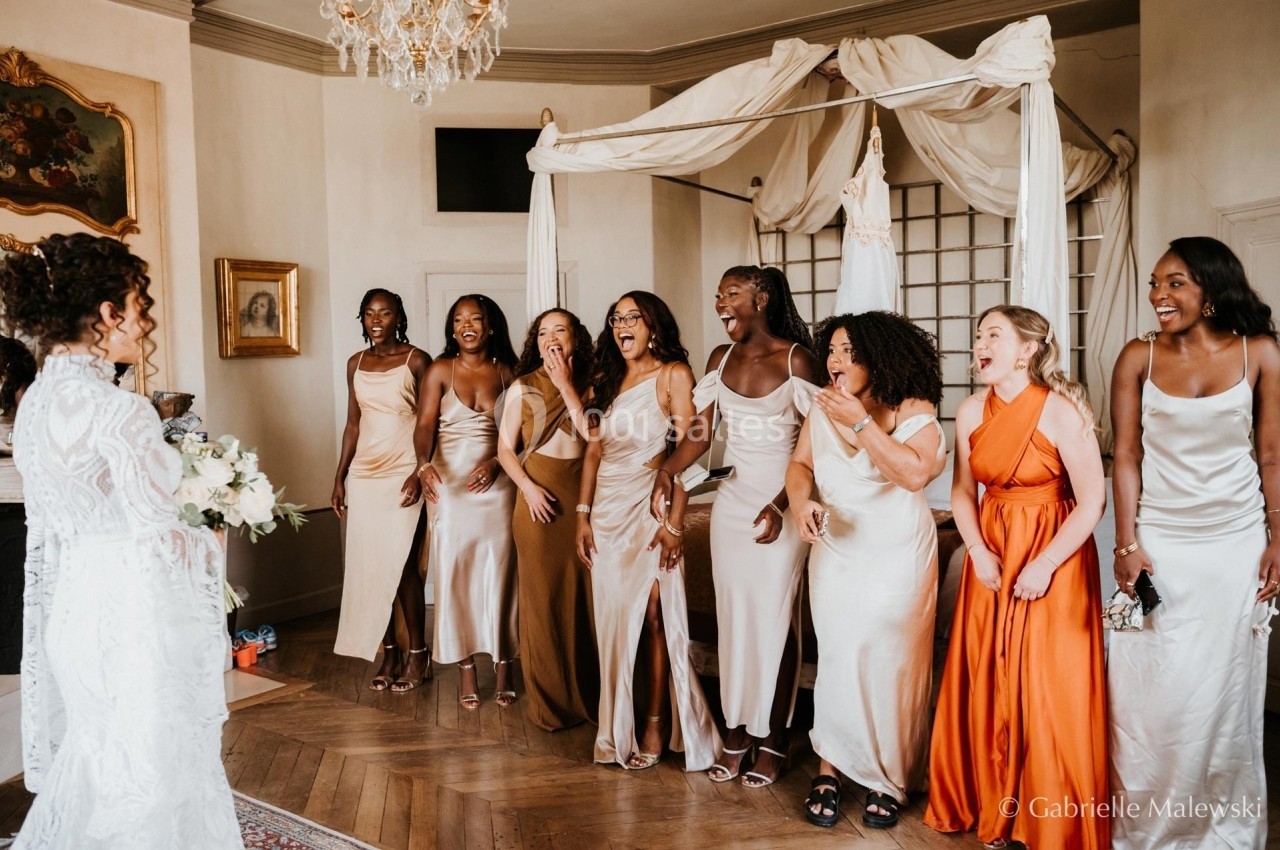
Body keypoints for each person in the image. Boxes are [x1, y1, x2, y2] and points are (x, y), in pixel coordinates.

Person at [1, 233, 243, 848]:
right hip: (135, 616)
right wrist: (214, 527)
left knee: (100, 756)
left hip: (76, 612)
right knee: (152, 774)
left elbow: (52, 530)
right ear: (107, 315)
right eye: (139, 306)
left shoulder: (30, 407)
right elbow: (160, 540)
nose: (145, 324)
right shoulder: (122, 412)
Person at [1108, 237, 1280, 849]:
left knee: (1227, 691)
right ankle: (1147, 830)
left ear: (1211, 288)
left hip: (1235, 545)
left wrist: (1277, 538)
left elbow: (1270, 455)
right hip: (1162, 544)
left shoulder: (1260, 352)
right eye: (1155, 283)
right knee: (1152, 692)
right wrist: (1126, 543)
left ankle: (1222, 831)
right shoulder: (1138, 357)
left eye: (1175, 282)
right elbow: (1125, 456)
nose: (1159, 295)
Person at [924, 305, 1108, 850]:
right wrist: (978, 551)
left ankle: (1047, 819)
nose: (980, 344)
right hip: (995, 550)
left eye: (994, 335)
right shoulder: (969, 410)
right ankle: (992, 806)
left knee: (1049, 683)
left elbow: (1092, 499)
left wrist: (1047, 562)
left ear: (1027, 349)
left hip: (1056, 552)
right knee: (988, 671)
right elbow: (962, 491)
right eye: (978, 335)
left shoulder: (1060, 411)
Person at [651, 265, 818, 788]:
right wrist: (667, 470)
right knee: (735, 619)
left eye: (732, 293)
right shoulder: (718, 360)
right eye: (718, 294)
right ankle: (738, 731)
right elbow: (700, 437)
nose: (721, 302)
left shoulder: (797, 359)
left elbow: (816, 451)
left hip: (782, 503)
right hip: (731, 504)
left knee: (775, 619)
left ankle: (775, 738)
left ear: (762, 298)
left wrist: (782, 505)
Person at [786, 312, 945, 829]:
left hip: (896, 554)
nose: (835, 360)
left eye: (849, 350)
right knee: (838, 655)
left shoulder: (914, 408)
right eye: (832, 350)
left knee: (893, 660)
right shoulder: (821, 404)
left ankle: (887, 777)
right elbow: (801, 465)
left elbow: (913, 472)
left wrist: (858, 420)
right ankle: (829, 768)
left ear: (879, 358)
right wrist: (798, 502)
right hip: (836, 550)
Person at [576, 291, 721, 771]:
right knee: (616, 622)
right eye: (615, 318)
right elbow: (593, 452)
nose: (622, 326)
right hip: (606, 513)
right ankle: (619, 724)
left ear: (652, 324)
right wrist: (581, 514)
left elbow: (689, 448)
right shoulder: (604, 380)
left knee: (658, 614)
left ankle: (658, 722)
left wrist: (677, 523)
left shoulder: (674, 375)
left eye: (632, 317)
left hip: (651, 507)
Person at [496, 308, 599, 730]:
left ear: (576, 338)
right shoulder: (522, 387)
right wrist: (527, 486)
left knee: (585, 599)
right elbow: (505, 449)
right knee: (542, 601)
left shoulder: (596, 384)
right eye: (543, 332)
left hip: (581, 497)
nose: (550, 338)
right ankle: (551, 706)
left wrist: (565, 386)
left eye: (560, 330)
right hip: (536, 498)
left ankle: (590, 698)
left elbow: (595, 437)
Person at [416, 294, 520, 709]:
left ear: (491, 326)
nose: (466, 325)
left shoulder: (509, 371)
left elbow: (523, 433)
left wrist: (497, 462)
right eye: (458, 320)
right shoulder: (441, 370)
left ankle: (505, 666)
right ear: (452, 329)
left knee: (501, 575)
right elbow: (425, 424)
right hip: (449, 487)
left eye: (474, 319)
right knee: (454, 575)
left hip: (498, 487)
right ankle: (465, 670)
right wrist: (423, 465)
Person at [331, 288, 433, 693]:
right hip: (365, 475)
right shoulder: (354, 363)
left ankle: (417, 654)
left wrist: (420, 472)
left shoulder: (417, 360)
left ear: (398, 317)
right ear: (362, 318)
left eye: (385, 313)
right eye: (369, 313)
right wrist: (339, 476)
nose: (376, 320)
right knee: (369, 566)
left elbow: (431, 423)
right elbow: (353, 423)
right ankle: (388, 651)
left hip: (403, 471)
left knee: (403, 567)